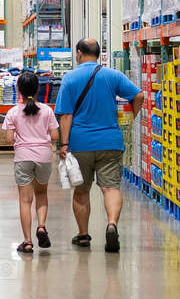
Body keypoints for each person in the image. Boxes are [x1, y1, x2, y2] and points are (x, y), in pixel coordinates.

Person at [55, 38, 140, 253]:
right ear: (99, 54)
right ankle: (111, 224)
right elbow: (138, 95)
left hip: (80, 143)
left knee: (82, 191)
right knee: (110, 188)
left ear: (79, 53)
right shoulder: (113, 75)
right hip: (110, 141)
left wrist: (64, 144)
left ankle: (83, 236)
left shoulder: (70, 78)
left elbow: (66, 115)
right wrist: (131, 116)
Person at [2, 70, 61, 253]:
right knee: (41, 194)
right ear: (37, 89)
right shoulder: (47, 111)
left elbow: (9, 139)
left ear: (19, 90)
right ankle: (41, 226)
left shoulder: (13, 112)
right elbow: (55, 136)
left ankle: (27, 242)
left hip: (23, 157)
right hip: (43, 157)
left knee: (25, 200)